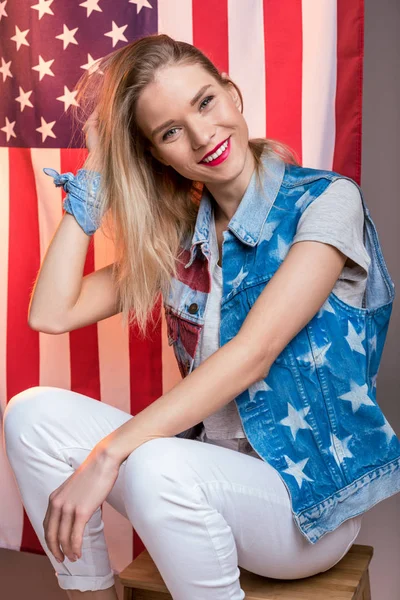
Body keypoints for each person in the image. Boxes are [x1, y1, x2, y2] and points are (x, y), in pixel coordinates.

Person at [3, 33, 400, 600]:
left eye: (205, 102)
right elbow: (52, 313)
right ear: (158, 154)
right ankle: (91, 593)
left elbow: (253, 353)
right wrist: (97, 176)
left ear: (233, 97)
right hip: (200, 482)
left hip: (306, 506)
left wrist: (108, 454)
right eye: (169, 131)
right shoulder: (180, 242)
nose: (200, 134)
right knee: (31, 413)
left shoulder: (327, 202)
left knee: (153, 462)